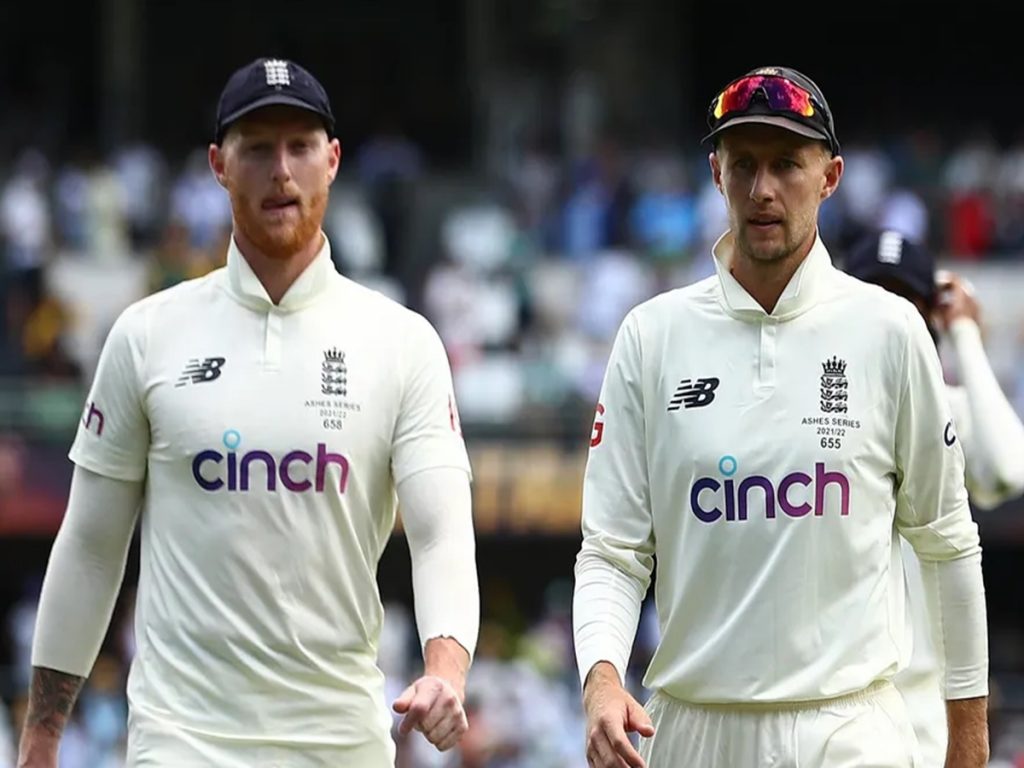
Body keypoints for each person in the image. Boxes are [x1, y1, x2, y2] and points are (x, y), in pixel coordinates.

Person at [17, 56, 479, 767]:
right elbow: (90, 545)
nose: (281, 171)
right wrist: (42, 736)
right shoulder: (147, 335)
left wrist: (445, 669)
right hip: (181, 743)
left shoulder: (402, 342)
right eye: (257, 148)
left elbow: (441, 533)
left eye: (300, 147)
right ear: (218, 166)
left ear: (333, 160)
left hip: (340, 746)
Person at [571, 65, 990, 768]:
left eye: (788, 164)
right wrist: (603, 681)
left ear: (830, 177)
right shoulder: (652, 335)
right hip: (693, 727)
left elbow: (948, 544)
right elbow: (612, 551)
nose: (762, 189)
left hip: (849, 725)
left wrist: (968, 740)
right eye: (744, 164)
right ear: (716, 174)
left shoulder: (889, 330)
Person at [844, 228, 1024, 765]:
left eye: (908, 303)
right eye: (876, 297)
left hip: (925, 716)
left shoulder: (942, 409)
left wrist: (965, 334)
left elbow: (1009, 471)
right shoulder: (815, 413)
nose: (892, 318)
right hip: (836, 708)